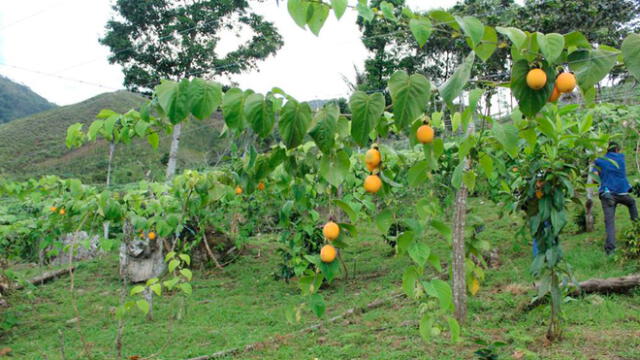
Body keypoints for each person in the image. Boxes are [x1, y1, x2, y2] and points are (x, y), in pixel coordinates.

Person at [593, 141, 638, 255]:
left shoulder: (599, 161)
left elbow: (594, 178)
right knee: (632, 203)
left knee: (610, 222)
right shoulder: (621, 158)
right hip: (622, 193)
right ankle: (637, 230)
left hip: (607, 195)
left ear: (607, 149)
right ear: (617, 150)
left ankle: (610, 249)